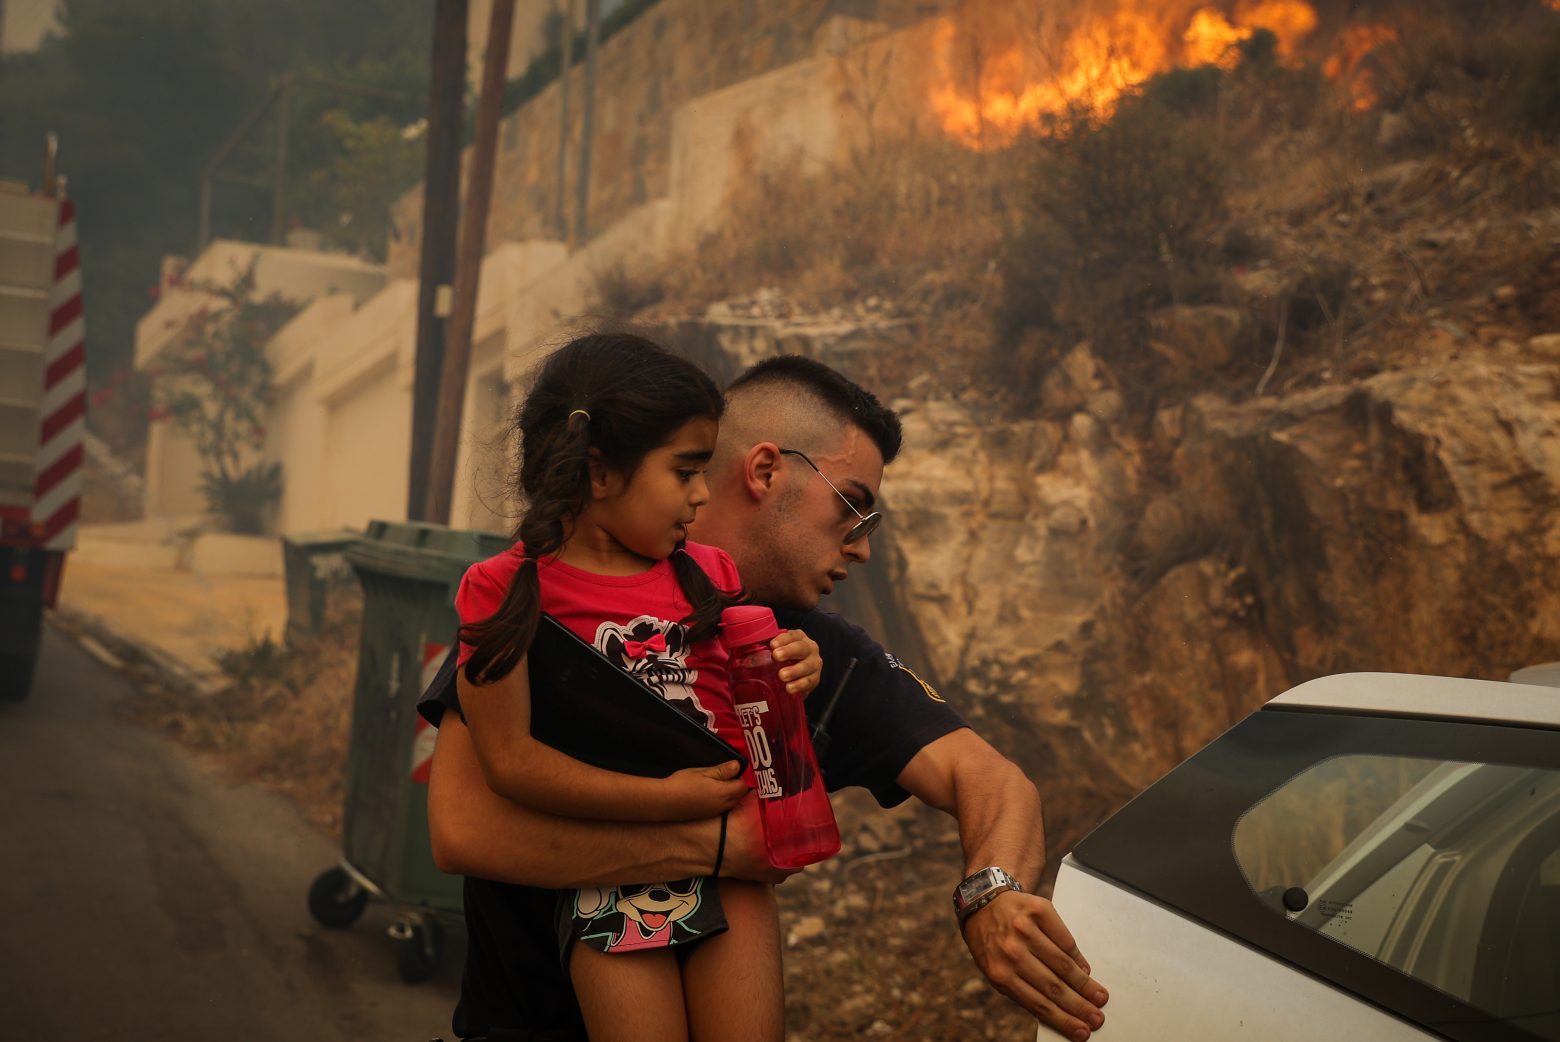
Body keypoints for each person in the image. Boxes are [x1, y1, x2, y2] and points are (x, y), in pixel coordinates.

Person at [421, 354, 1110, 1042]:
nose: (862, 549)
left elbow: (991, 779)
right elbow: (462, 829)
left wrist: (992, 894)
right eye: (854, 507)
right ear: (766, 470)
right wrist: (720, 844)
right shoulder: (559, 595)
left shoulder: (812, 652)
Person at [446, 333, 824, 1042]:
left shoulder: (710, 573)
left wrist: (794, 666)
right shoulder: (504, 594)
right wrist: (666, 801)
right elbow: (511, 764)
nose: (703, 494)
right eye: (684, 471)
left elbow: (745, 713)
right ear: (599, 472)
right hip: (613, 877)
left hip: (733, 877)